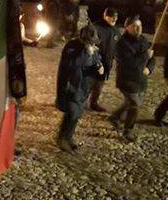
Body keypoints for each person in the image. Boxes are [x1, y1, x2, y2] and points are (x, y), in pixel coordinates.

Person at [55, 24, 104, 153]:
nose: (93, 45)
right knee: (71, 113)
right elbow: (72, 65)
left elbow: (96, 60)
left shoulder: (92, 49)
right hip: (71, 86)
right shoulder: (71, 46)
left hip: (84, 86)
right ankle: (62, 139)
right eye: (90, 42)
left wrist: (99, 67)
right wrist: (85, 53)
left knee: (77, 114)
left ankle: (68, 137)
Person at [109, 15, 154, 141]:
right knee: (135, 104)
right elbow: (128, 63)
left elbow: (152, 59)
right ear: (127, 28)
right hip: (127, 79)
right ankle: (128, 131)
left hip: (141, 79)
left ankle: (115, 117)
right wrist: (145, 56)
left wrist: (149, 68)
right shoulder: (121, 44)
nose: (138, 28)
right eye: (134, 26)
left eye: (139, 26)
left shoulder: (144, 40)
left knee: (129, 103)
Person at [89, 8, 120, 112]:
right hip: (94, 63)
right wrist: (97, 62)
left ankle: (94, 103)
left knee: (99, 84)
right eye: (111, 16)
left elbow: (118, 45)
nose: (114, 19)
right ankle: (79, 101)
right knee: (89, 83)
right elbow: (91, 47)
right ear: (105, 16)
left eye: (115, 17)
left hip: (107, 63)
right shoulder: (96, 28)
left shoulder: (115, 30)